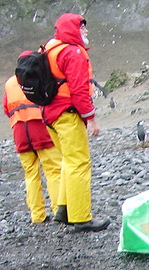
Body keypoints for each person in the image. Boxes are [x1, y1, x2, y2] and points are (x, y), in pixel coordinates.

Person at [42, 13, 109, 231]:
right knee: (79, 162)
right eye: (82, 27)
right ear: (73, 30)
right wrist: (91, 119)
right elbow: (79, 90)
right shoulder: (73, 53)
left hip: (49, 114)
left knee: (68, 162)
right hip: (67, 114)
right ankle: (81, 217)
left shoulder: (50, 49)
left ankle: (63, 209)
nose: (86, 31)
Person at [3, 69, 62, 223]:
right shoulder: (41, 76)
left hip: (20, 132)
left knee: (30, 174)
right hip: (40, 128)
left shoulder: (10, 83)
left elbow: (6, 108)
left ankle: (37, 216)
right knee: (53, 171)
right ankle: (58, 211)